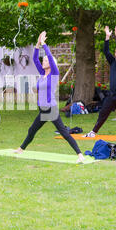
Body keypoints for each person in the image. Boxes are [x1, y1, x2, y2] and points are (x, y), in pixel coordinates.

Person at [15, 31, 86, 164]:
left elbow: (49, 56)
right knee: (32, 130)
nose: (43, 60)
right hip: (43, 110)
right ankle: (21, 148)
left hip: (51, 109)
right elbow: (35, 58)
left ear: (51, 63)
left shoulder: (54, 73)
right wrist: (37, 44)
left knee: (64, 133)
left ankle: (80, 154)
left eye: (46, 60)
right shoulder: (43, 74)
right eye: (44, 60)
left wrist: (44, 44)